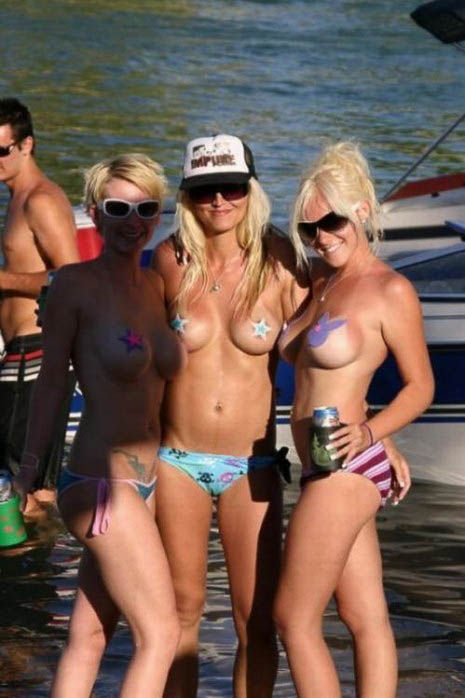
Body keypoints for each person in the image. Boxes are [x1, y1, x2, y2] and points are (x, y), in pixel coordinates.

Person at [152, 133, 409, 698]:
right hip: (176, 460)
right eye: (205, 190)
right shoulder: (170, 260)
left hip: (252, 463)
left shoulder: (283, 260)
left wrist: (375, 432)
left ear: (251, 189)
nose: (220, 201)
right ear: (187, 195)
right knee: (180, 615)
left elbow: (331, 351)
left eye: (231, 188)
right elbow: (140, 357)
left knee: (258, 620)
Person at [14, 153, 185, 697]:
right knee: (161, 634)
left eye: (146, 209)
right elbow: (51, 384)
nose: (132, 221)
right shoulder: (73, 285)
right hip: (100, 484)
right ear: (94, 212)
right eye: (117, 208)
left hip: (146, 483)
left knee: (89, 637)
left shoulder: (155, 285)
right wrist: (28, 472)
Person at [273, 141, 434, 698]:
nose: (321, 236)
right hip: (329, 462)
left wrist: (372, 433)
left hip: (345, 465)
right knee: (364, 616)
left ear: (362, 210)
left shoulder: (391, 291)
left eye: (332, 221)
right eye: (309, 227)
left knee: (293, 618)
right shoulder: (321, 279)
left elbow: (421, 387)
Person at [0, 97, 79, 510]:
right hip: (24, 353)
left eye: (1, 151)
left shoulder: (40, 200)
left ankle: (34, 552)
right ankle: (46, 549)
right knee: (34, 488)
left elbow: (71, 277)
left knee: (22, 490)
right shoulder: (18, 198)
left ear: (26, 145)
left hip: (35, 354)